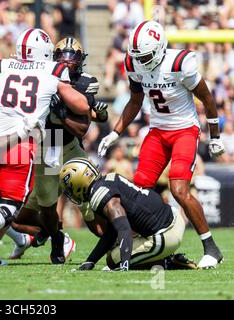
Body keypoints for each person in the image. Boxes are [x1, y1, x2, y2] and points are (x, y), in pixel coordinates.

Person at [0, 28, 91, 266]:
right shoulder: (54, 70)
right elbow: (82, 106)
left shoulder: (2, 66)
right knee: (10, 205)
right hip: (21, 142)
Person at [97, 20, 225, 269]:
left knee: (179, 190)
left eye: (145, 56)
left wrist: (215, 136)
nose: (141, 61)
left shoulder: (179, 63)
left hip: (184, 130)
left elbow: (207, 100)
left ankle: (211, 247)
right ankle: (151, 249)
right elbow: (135, 101)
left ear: (159, 48)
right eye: (138, 57)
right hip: (157, 131)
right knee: (139, 191)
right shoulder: (133, 62)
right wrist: (115, 132)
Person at [0, 37, 109, 264]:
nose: (67, 62)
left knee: (92, 201)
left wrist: (62, 112)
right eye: (62, 56)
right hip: (46, 146)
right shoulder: (44, 74)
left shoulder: (84, 82)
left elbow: (82, 128)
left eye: (72, 57)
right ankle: (55, 238)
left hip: (68, 146)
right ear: (51, 56)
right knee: (40, 208)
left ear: (80, 60)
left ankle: (118, 243)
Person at [59, 157, 197, 271]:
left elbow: (123, 228)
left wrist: (124, 263)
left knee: (113, 260)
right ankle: (165, 258)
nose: (70, 193)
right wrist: (90, 261)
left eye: (70, 188)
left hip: (165, 235)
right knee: (115, 250)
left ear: (78, 184)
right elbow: (112, 232)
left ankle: (168, 262)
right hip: (172, 217)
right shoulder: (109, 178)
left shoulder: (99, 197)